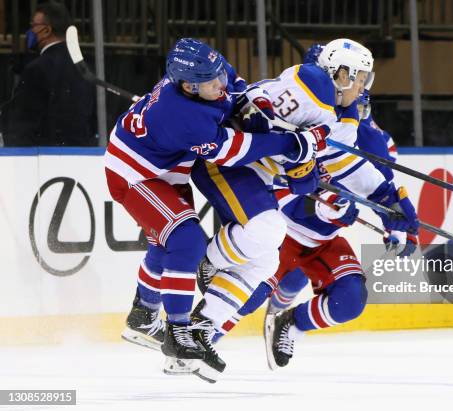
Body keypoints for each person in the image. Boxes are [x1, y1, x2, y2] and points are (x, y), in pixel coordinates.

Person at [105, 37, 326, 383]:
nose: (220, 83)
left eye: (218, 72)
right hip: (135, 173)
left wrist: (255, 111)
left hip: (166, 166)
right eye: (212, 82)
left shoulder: (205, 72)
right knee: (187, 242)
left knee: (167, 245)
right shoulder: (182, 116)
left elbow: (236, 88)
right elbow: (234, 150)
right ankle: (177, 335)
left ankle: (143, 315)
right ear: (188, 86)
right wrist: (291, 143)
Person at [189, 39, 418, 358]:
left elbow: (346, 167)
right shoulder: (310, 87)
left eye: (366, 79)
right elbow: (278, 162)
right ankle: (196, 339)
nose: (364, 88)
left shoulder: (350, 121)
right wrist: (320, 199)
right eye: (361, 77)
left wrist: (393, 205)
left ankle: (289, 324)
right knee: (252, 293)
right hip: (281, 228)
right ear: (342, 74)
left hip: (320, 239)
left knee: (350, 299)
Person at [3, 2, 97, 147]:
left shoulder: (37, 69)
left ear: (46, 31)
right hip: (79, 157)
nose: (30, 32)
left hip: (43, 157)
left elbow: (21, 124)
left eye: (33, 26)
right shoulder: (84, 68)